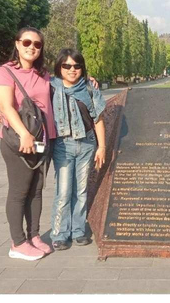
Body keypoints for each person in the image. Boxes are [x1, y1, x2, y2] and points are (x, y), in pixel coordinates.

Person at [0, 27, 55, 261]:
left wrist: (86, 78)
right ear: (17, 44)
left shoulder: (43, 74)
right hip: (20, 141)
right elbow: (6, 106)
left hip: (43, 140)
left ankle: (34, 236)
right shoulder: (4, 72)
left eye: (37, 44)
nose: (32, 47)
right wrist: (24, 134)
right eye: (27, 42)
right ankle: (17, 242)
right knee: (19, 191)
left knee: (37, 190)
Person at [50, 48, 106, 251]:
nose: (72, 70)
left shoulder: (90, 88)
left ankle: (79, 230)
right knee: (63, 192)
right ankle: (60, 233)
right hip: (63, 146)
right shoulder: (51, 87)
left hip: (87, 144)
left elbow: (98, 119)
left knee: (81, 190)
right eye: (67, 66)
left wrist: (102, 146)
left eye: (77, 66)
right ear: (59, 67)